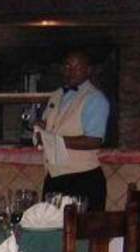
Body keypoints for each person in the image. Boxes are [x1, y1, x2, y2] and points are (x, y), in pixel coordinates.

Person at [35, 49, 110, 210]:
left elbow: (94, 141)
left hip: (83, 179)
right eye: (67, 66)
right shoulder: (56, 95)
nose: (70, 71)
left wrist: (55, 140)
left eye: (76, 67)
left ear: (88, 70)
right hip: (54, 178)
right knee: (50, 225)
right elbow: (52, 127)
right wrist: (42, 128)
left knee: (81, 227)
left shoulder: (95, 99)